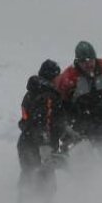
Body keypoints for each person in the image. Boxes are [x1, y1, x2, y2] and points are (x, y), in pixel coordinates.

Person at [56, 41, 102, 145]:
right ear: (77, 61)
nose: (88, 64)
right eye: (84, 62)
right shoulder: (68, 78)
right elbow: (59, 104)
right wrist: (66, 128)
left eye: (91, 60)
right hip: (81, 128)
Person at [17, 59, 64, 193]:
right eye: (57, 76)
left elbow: (26, 121)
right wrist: (44, 147)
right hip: (39, 148)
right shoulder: (48, 96)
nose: (59, 79)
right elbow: (42, 122)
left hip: (26, 143)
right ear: (52, 77)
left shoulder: (31, 93)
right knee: (46, 187)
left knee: (28, 180)